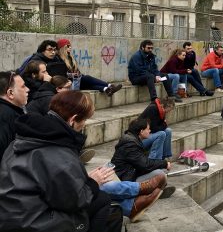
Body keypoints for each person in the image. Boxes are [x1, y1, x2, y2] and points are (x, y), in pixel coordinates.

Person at [0, 90, 154, 231]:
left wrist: (86, 180)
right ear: (73, 120)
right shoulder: (58, 151)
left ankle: (133, 199)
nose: (84, 125)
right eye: (85, 120)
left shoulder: (22, 140)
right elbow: (74, 201)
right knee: (104, 202)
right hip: (34, 223)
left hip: (12, 216)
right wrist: (93, 182)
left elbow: (52, 185)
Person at [111, 118, 176, 193]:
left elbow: (142, 163)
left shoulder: (132, 139)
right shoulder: (130, 144)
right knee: (160, 174)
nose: (150, 131)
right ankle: (153, 192)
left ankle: (157, 190)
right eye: (148, 129)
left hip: (129, 174)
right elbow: (145, 165)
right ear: (141, 131)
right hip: (125, 180)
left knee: (158, 169)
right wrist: (164, 163)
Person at [56, 39, 122, 96]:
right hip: (69, 83)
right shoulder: (59, 59)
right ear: (62, 48)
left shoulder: (70, 58)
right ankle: (110, 85)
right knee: (87, 78)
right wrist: (73, 75)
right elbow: (62, 74)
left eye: (70, 45)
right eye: (68, 46)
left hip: (76, 81)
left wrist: (78, 74)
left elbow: (77, 71)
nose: (70, 47)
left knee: (88, 84)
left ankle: (107, 89)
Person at [0, 71, 29, 161]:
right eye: (23, 86)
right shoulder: (7, 116)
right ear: (10, 93)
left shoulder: (10, 112)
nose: (28, 89)